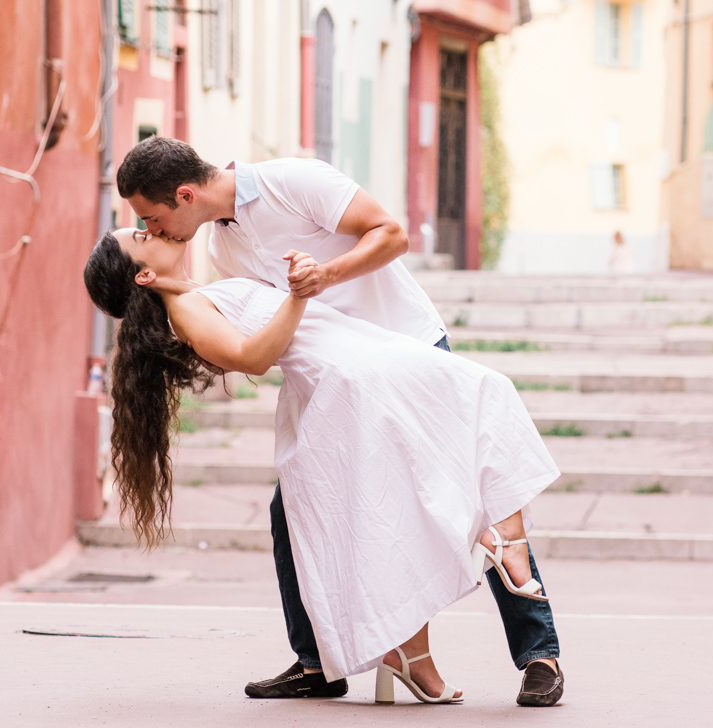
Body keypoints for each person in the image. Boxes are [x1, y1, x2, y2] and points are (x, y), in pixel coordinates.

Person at [114, 137, 566, 707]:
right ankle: (318, 664)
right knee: (294, 510)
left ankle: (539, 658)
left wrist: (323, 276)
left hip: (408, 351)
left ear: (184, 195)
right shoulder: (225, 251)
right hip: (340, 384)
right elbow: (270, 332)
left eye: (152, 219)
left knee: (478, 488)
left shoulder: (293, 181)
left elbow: (391, 234)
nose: (155, 231)